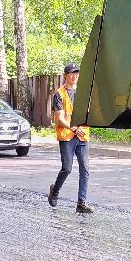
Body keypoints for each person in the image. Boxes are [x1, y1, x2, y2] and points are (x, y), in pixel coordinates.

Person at [48, 63, 91, 213]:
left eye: (77, 73)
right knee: (67, 168)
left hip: (82, 135)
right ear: (65, 75)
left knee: (85, 169)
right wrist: (73, 128)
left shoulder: (84, 93)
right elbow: (59, 118)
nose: (75, 76)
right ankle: (55, 190)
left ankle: (81, 203)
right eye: (72, 73)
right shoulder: (59, 94)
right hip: (67, 136)